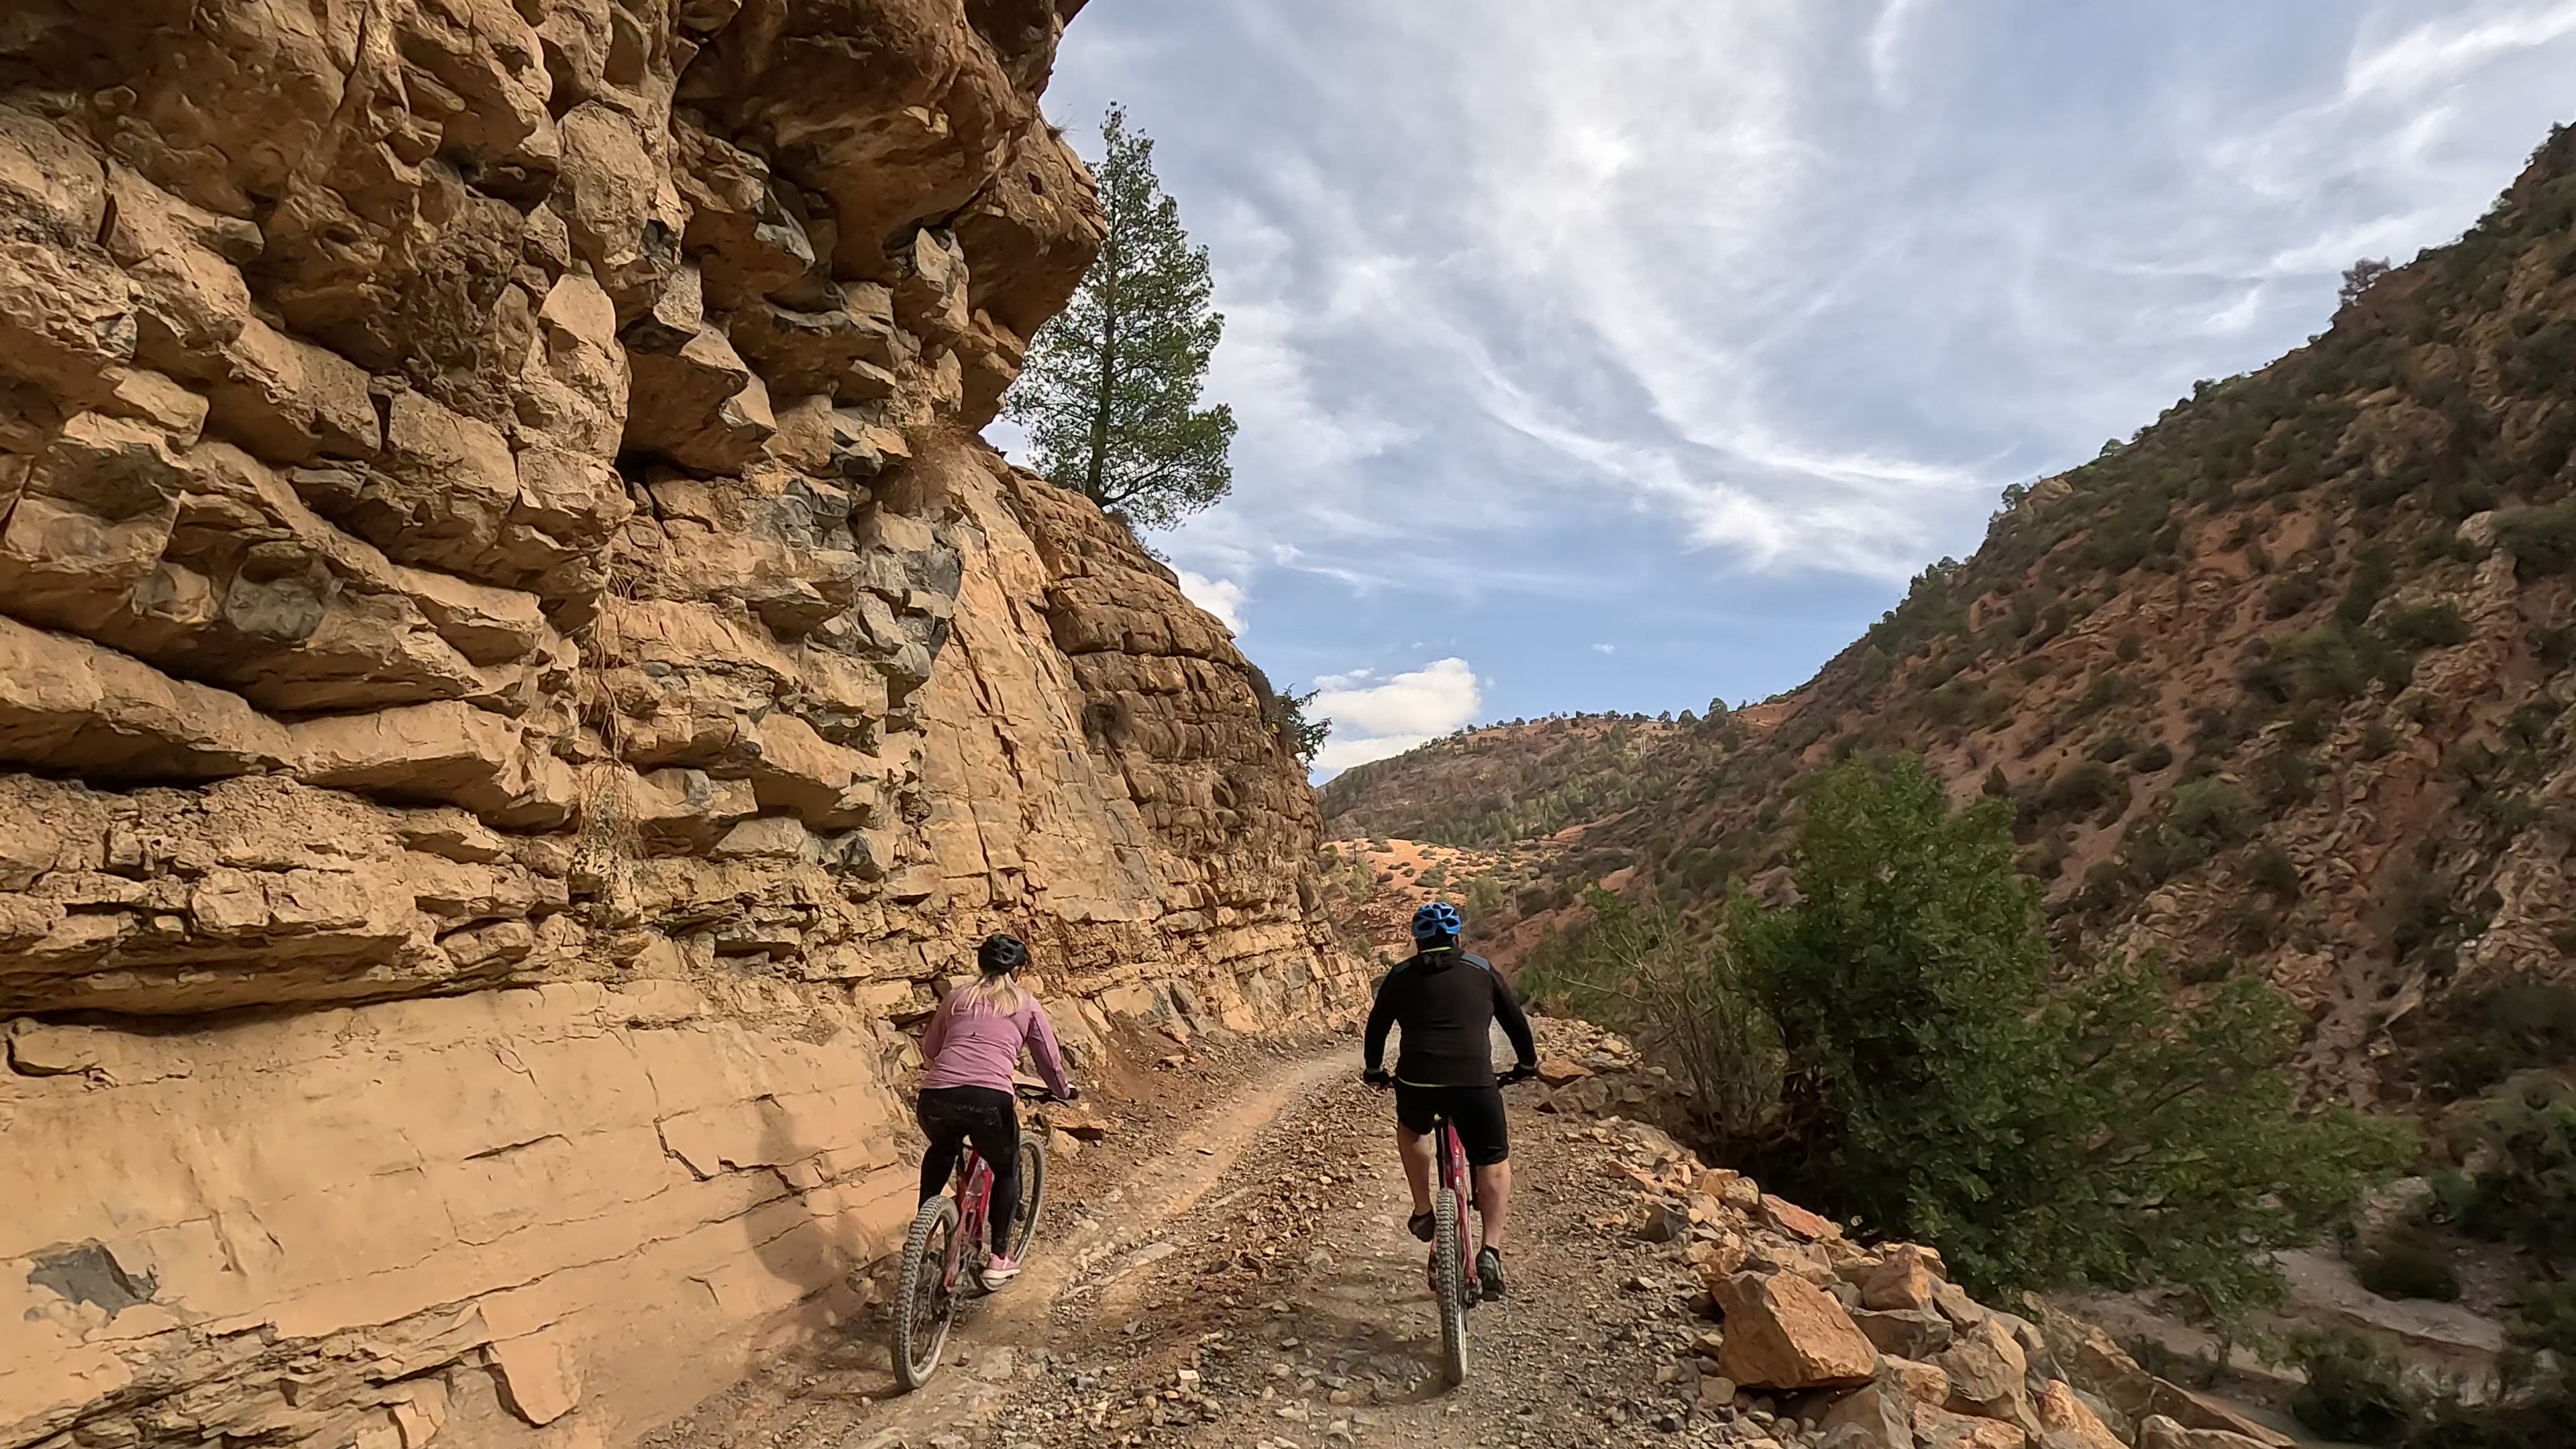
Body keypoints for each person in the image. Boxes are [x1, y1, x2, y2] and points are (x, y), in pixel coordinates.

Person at [1362, 900, 1538, 1301]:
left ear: (1418, 942)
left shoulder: (1400, 975)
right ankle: (1491, 1250)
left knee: (1412, 1131)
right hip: (1474, 1082)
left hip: (1418, 1081)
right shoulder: (1481, 969)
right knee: (1492, 1159)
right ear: (1457, 937)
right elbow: (1515, 1021)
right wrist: (1526, 1065)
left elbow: (1377, 1027)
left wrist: (1375, 1070)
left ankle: (1425, 1209)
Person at [916, 932, 1076, 1285]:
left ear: (979, 964)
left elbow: (930, 1051)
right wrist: (1062, 1091)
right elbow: (1048, 1060)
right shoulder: (1026, 1004)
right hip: (990, 1100)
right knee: (1007, 1167)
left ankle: (920, 1231)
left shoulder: (956, 998)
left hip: (935, 1097)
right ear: (1018, 970)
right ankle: (999, 1259)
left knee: (943, 1148)